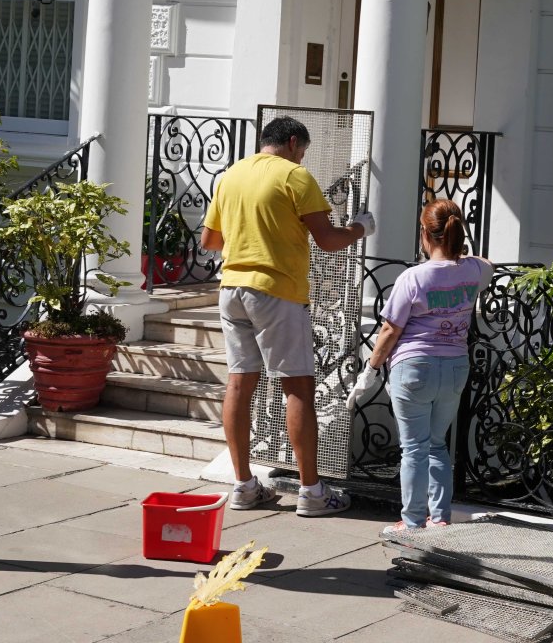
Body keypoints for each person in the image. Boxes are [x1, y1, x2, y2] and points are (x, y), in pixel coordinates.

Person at [201, 115, 375, 517]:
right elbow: (329, 242)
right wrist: (359, 229)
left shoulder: (231, 175)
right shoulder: (295, 177)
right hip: (276, 292)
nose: (303, 158)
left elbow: (210, 240)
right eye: (304, 151)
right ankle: (312, 493)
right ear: (293, 142)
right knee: (297, 386)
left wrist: (253, 231)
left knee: (239, 384)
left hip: (231, 290)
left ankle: (244, 486)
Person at [347, 199, 493, 532]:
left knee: (414, 447)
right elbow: (486, 262)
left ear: (425, 233)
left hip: (414, 367)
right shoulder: (473, 271)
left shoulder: (412, 278)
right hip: (455, 366)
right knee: (438, 444)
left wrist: (369, 371)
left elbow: (389, 330)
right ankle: (440, 517)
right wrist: (459, 250)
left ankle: (412, 521)